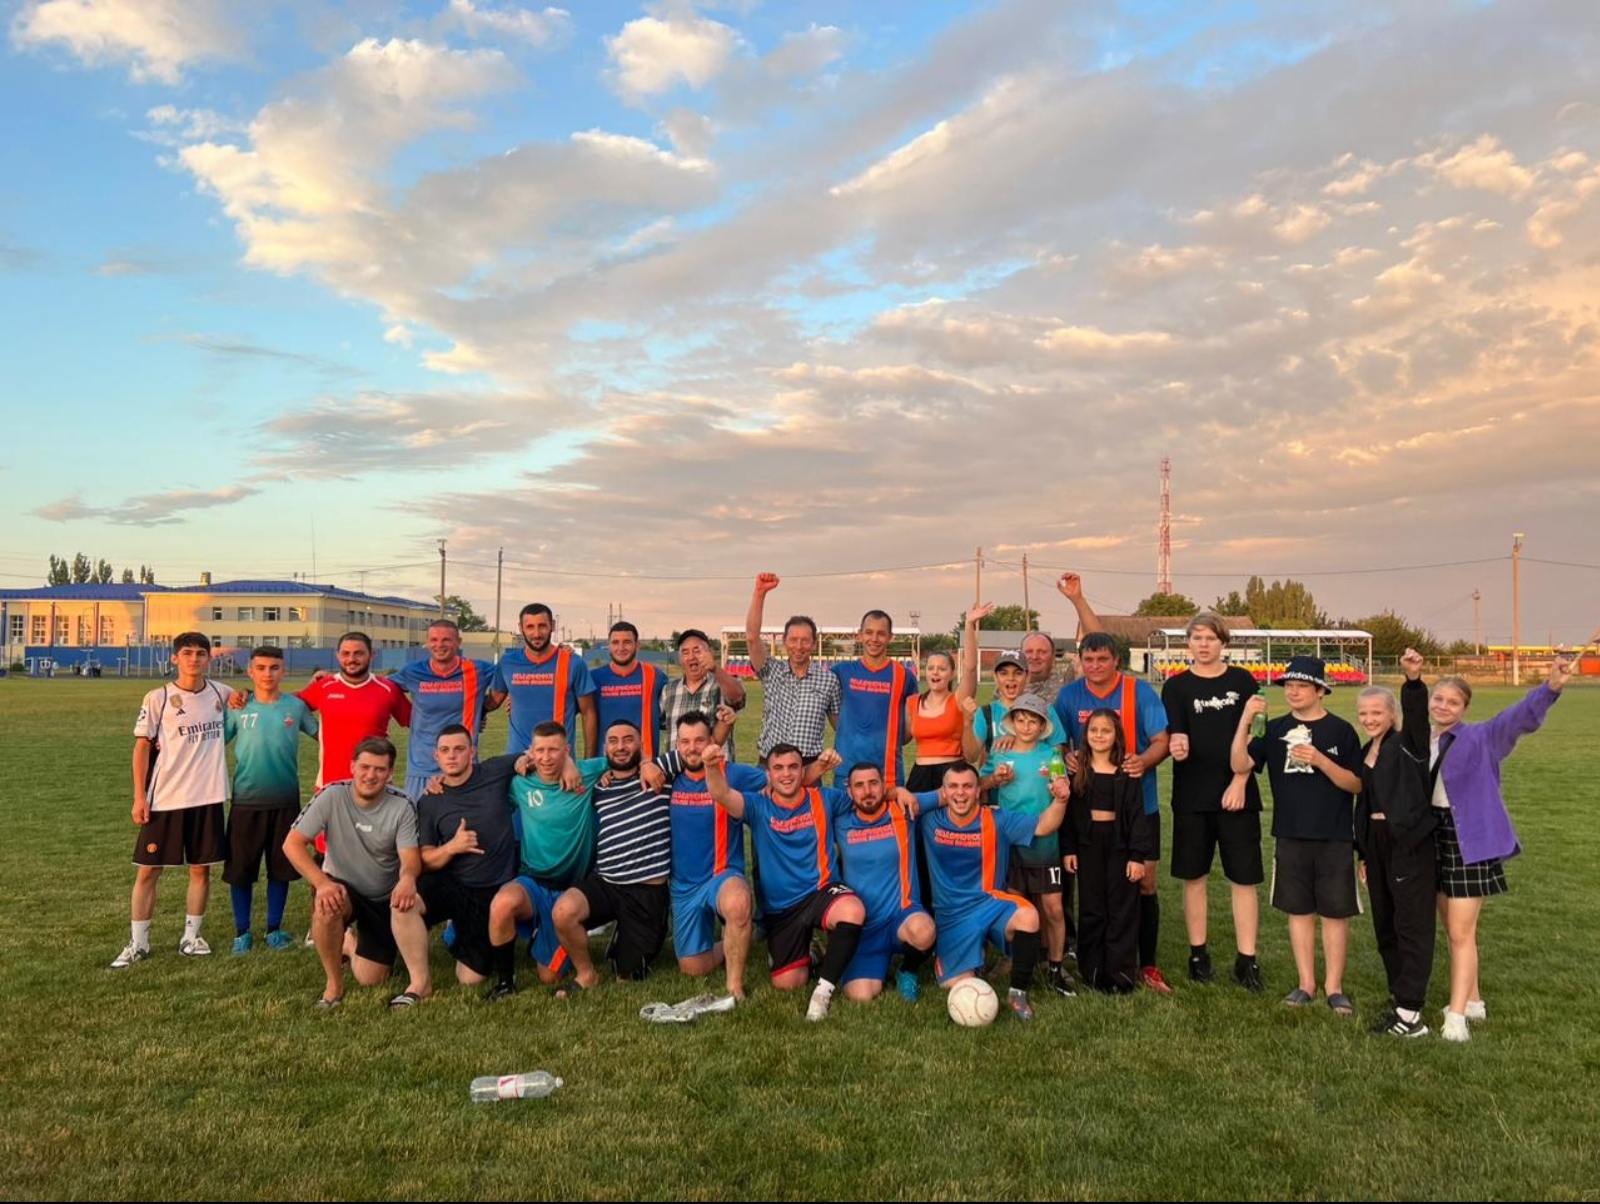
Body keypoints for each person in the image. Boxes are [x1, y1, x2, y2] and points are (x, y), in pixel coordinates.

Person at [1427, 654, 1572, 1042]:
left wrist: (1551, 687)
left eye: (1453, 702)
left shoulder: (1483, 736)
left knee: (1461, 931)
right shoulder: (1423, 741)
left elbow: (1519, 717)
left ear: (1465, 708)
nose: (1444, 706)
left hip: (1470, 839)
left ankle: (1456, 1018)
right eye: (1438, 698)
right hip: (1433, 837)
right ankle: (1473, 1001)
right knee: (1453, 928)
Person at [1232, 657, 1362, 1013]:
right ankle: (1306, 983)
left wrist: (1321, 761)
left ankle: (1334, 986)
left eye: (1302, 686)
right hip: (1290, 833)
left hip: (1334, 835)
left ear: (1320, 691)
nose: (1293, 691)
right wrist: (1245, 722)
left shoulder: (1341, 731)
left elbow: (1356, 784)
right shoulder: (1274, 729)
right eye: (1288, 685)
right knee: (1299, 911)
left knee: (1335, 913)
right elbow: (1239, 764)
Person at [703, 742, 865, 1021]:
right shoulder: (758, 805)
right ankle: (814, 954)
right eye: (778, 768)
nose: (786, 774)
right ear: (769, 774)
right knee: (787, 983)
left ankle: (822, 993)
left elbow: (866, 798)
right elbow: (721, 793)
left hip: (820, 890)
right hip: (782, 909)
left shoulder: (825, 798)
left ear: (804, 771)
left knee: (852, 910)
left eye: (793, 767)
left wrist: (897, 792)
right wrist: (710, 765)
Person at [1053, 632, 1171, 993]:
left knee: (1142, 883)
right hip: (1088, 810)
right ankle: (1089, 961)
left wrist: (1142, 762)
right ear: (1080, 661)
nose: (1095, 666)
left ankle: (1145, 964)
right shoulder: (1069, 695)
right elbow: (1057, 740)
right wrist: (1066, 757)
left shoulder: (1139, 692)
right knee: (1092, 893)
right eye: (1088, 659)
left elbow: (1161, 741)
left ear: (1115, 660)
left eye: (1102, 659)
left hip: (1136, 806)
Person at [111, 632, 233, 969]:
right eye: (187, 653)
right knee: (148, 871)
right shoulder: (159, 697)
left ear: (209, 658)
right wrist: (139, 796)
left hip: (208, 797)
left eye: (201, 653)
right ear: (174, 658)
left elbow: (260, 696)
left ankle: (191, 938)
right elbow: (141, 747)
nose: (194, 659)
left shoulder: (222, 693)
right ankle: (138, 943)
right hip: (165, 798)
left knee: (201, 870)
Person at [283, 738, 433, 1009]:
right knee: (327, 906)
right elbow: (292, 844)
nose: (370, 775)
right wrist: (322, 883)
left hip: (382, 898)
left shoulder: (402, 805)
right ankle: (334, 986)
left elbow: (410, 859)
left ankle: (349, 943)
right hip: (342, 887)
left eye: (379, 769)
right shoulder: (331, 795)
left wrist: (408, 879)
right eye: (365, 767)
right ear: (352, 766)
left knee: (371, 978)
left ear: (390, 773)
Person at [1161, 612, 1264, 991]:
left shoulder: (1243, 681)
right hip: (1193, 796)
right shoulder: (1175, 687)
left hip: (1238, 795)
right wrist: (1177, 744)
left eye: (1211, 638)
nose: (1203, 644)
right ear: (1188, 642)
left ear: (1224, 642)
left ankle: (1247, 960)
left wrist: (1240, 780)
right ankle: (1198, 956)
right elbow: (1175, 734)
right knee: (1195, 878)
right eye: (1197, 637)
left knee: (1244, 879)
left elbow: (1256, 736)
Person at [920, 762, 1068, 1021]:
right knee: (955, 985)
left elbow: (1044, 826)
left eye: (967, 786)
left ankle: (1018, 992)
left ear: (978, 791)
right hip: (952, 915)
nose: (960, 793)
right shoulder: (930, 820)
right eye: (953, 787)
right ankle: (970, 957)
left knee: (1028, 916)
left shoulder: (996, 820)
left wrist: (1061, 800)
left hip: (990, 903)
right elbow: (904, 801)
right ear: (943, 792)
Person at [482, 722, 607, 999]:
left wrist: (572, 764)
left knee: (549, 977)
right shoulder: (520, 782)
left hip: (571, 889)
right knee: (502, 904)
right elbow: (484, 784)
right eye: (540, 750)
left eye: (554, 750)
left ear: (567, 750)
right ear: (530, 751)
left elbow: (624, 758)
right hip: (533, 881)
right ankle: (505, 983)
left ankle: (544, 934)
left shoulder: (586, 774)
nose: (546, 757)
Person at [650, 711, 766, 1001]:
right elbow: (635, 768)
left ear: (712, 741)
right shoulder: (668, 778)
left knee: (738, 903)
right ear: (677, 745)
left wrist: (818, 769)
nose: (692, 748)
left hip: (721, 875)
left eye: (699, 740)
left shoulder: (733, 774)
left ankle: (734, 986)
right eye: (685, 741)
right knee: (693, 967)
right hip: (684, 885)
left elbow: (780, 780)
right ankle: (733, 941)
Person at [552, 719, 673, 990]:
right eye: (613, 741)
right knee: (563, 911)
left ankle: (628, 937)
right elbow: (547, 760)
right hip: (605, 883)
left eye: (628, 740)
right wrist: (568, 761)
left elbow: (692, 753)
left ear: (641, 744)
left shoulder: (660, 774)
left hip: (645, 893)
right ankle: (587, 975)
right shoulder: (599, 786)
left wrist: (647, 762)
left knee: (627, 976)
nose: (620, 747)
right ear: (605, 747)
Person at [1353, 649, 1435, 1038]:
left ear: (1392, 714)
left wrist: (1413, 681)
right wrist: (1364, 853)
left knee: (1410, 925)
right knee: (1385, 924)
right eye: (1363, 713)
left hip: (1407, 845)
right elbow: (1364, 801)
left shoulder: (1408, 743)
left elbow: (1418, 717)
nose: (1370, 719)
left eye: (1377, 712)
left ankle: (1411, 1014)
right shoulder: (1366, 750)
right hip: (1376, 844)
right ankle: (1400, 998)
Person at [977, 693, 1076, 998]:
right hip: (1011, 844)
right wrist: (994, 780)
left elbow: (1063, 787)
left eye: (1033, 721)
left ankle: (1055, 966)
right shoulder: (1000, 753)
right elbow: (979, 785)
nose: (1026, 726)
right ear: (1012, 723)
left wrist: (1061, 788)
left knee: (1053, 908)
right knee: (1016, 906)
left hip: (1045, 843)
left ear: (1043, 726)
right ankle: (1016, 961)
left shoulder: (1051, 756)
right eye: (1020, 720)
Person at [223, 646, 319, 954]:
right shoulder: (238, 706)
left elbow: (325, 735)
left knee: (281, 868)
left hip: (285, 801)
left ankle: (274, 929)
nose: (268, 674)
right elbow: (213, 742)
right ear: (250, 672)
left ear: (284, 671)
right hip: (246, 801)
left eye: (274, 667)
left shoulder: (295, 706)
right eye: (261, 668)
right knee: (241, 870)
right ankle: (242, 932)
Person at [413, 725, 522, 989]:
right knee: (405, 901)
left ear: (472, 752)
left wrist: (565, 765)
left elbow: (535, 755)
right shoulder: (430, 800)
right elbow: (425, 859)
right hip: (453, 881)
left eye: (459, 749)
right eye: (445, 750)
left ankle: (461, 936)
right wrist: (452, 847)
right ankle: (416, 975)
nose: (452, 756)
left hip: (491, 888)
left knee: (470, 978)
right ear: (436, 756)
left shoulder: (494, 771)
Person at [1063, 709, 1153, 992]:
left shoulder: (1126, 772)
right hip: (1088, 845)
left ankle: (1120, 974)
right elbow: (1069, 815)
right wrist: (1069, 849)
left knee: (1121, 908)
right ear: (1085, 735)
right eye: (1094, 730)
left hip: (1119, 845)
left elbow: (1137, 815)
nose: (1099, 736)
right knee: (1092, 907)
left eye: (1106, 731)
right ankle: (1092, 971)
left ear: (1116, 736)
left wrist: (1137, 856)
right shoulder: (1078, 771)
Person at [834, 763, 937, 1002]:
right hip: (863, 926)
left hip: (902, 914)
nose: (867, 791)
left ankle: (907, 970)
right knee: (860, 996)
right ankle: (870, 961)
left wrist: (991, 783)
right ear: (849, 790)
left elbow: (948, 793)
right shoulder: (839, 819)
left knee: (924, 931)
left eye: (873, 783)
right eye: (859, 785)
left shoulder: (903, 808)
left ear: (884, 786)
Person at [389, 619, 499, 800]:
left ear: (458, 642)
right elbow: (380, 688)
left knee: (464, 818)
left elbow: (509, 680)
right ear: (427, 642)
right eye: (434, 640)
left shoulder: (477, 670)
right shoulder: (413, 672)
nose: (439, 645)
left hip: (464, 766)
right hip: (422, 768)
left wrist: (483, 710)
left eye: (446, 640)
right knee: (419, 817)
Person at [744, 573, 840, 765]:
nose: (799, 646)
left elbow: (840, 726)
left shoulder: (829, 680)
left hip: (808, 767)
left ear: (814, 644)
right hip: (771, 765)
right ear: (784, 641)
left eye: (805, 640)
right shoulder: (771, 671)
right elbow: (752, 637)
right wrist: (760, 593)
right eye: (793, 640)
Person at [296, 631, 411, 791]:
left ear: (372, 655)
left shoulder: (388, 689)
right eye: (346, 654)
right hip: (330, 785)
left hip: (376, 785)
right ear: (337, 656)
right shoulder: (324, 686)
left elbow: (420, 723)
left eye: (359, 653)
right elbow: (286, 705)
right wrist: (314, 731)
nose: (351, 659)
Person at [487, 602, 598, 755]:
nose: (537, 634)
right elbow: (493, 701)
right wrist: (478, 714)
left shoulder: (573, 663)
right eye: (530, 627)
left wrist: (589, 761)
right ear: (521, 628)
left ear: (552, 625)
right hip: (517, 759)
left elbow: (588, 714)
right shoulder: (507, 662)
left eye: (542, 626)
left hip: (557, 758)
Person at [905, 603, 988, 793]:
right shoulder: (912, 703)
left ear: (951, 674)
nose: (935, 672)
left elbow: (970, 668)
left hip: (952, 773)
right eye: (931, 668)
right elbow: (900, 739)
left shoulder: (957, 700)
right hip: (920, 776)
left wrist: (969, 625)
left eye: (942, 669)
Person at [832, 610, 919, 786]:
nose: (874, 639)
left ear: (890, 637)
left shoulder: (904, 676)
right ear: (860, 635)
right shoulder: (841, 672)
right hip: (846, 771)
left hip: (888, 774)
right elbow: (827, 706)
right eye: (869, 632)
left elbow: (910, 727)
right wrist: (845, 728)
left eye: (881, 633)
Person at [659, 628, 747, 757]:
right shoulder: (669, 690)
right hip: (677, 768)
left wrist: (715, 668)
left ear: (710, 652)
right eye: (685, 652)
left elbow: (738, 698)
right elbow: (657, 723)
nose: (691, 657)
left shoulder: (721, 683)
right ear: (680, 659)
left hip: (715, 766)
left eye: (697, 651)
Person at [1019, 572, 1106, 703]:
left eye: (1042, 652)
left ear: (1053, 657)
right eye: (1029, 652)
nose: (1035, 656)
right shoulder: (1009, 686)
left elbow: (1098, 645)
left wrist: (1078, 600)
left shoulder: (1066, 680)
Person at [589, 621, 668, 758]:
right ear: (609, 646)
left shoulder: (654, 676)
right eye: (615, 642)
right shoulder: (594, 678)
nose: (621, 648)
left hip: (644, 762)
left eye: (627, 642)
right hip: (606, 763)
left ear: (637, 645)